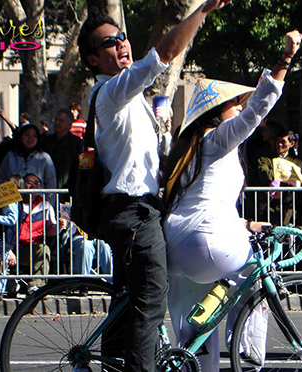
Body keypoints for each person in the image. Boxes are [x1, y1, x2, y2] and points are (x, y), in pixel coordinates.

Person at [76, 2, 234, 370]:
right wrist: (204, 11)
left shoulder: (131, 99)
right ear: (93, 61)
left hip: (135, 211)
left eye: (122, 37)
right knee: (149, 304)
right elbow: (164, 54)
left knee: (127, 305)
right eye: (109, 43)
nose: (121, 45)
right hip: (133, 215)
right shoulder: (114, 91)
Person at [161, 31, 302, 371]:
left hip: (175, 245)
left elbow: (202, 200)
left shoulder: (188, 147)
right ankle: (250, 359)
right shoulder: (217, 137)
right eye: (233, 105)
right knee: (256, 272)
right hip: (205, 241)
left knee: (192, 333)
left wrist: (247, 224)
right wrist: (284, 60)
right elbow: (256, 111)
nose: (239, 109)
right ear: (216, 111)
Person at [41, 109, 83, 202]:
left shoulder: (78, 144)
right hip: (49, 190)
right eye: (56, 120)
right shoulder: (46, 141)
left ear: (69, 124)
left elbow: (83, 167)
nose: (57, 123)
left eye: (61, 121)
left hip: (69, 191)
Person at [0, 124, 57, 189]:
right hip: (15, 196)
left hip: (37, 198)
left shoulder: (44, 158)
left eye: (34, 136)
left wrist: (48, 199)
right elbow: (1, 177)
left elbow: (51, 182)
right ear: (21, 137)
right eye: (27, 135)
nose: (31, 138)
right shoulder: (11, 156)